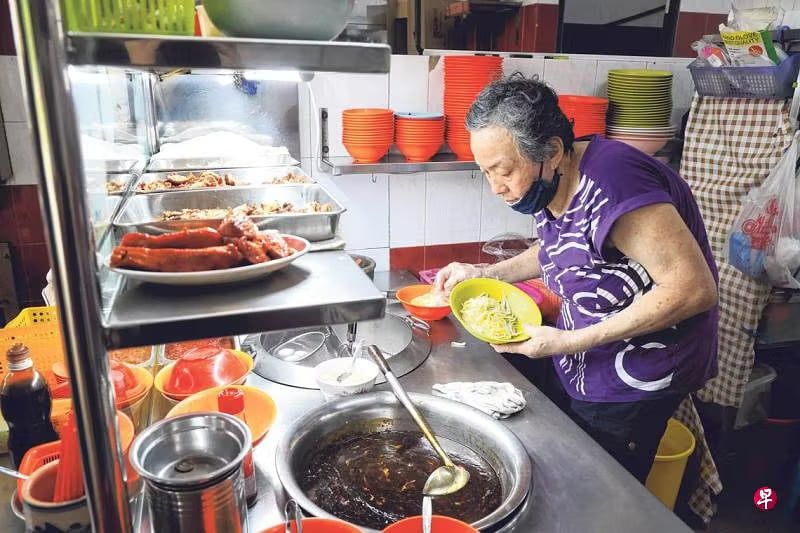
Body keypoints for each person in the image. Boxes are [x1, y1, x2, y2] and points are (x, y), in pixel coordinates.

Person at [435, 75, 718, 483]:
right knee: (569, 466)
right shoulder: (555, 176)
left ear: (551, 149)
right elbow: (562, 247)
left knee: (601, 487)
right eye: (485, 172)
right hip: (582, 355)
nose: (495, 187)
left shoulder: (615, 183)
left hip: (636, 373)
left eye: (504, 171)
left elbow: (692, 288)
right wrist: (483, 273)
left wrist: (569, 342)